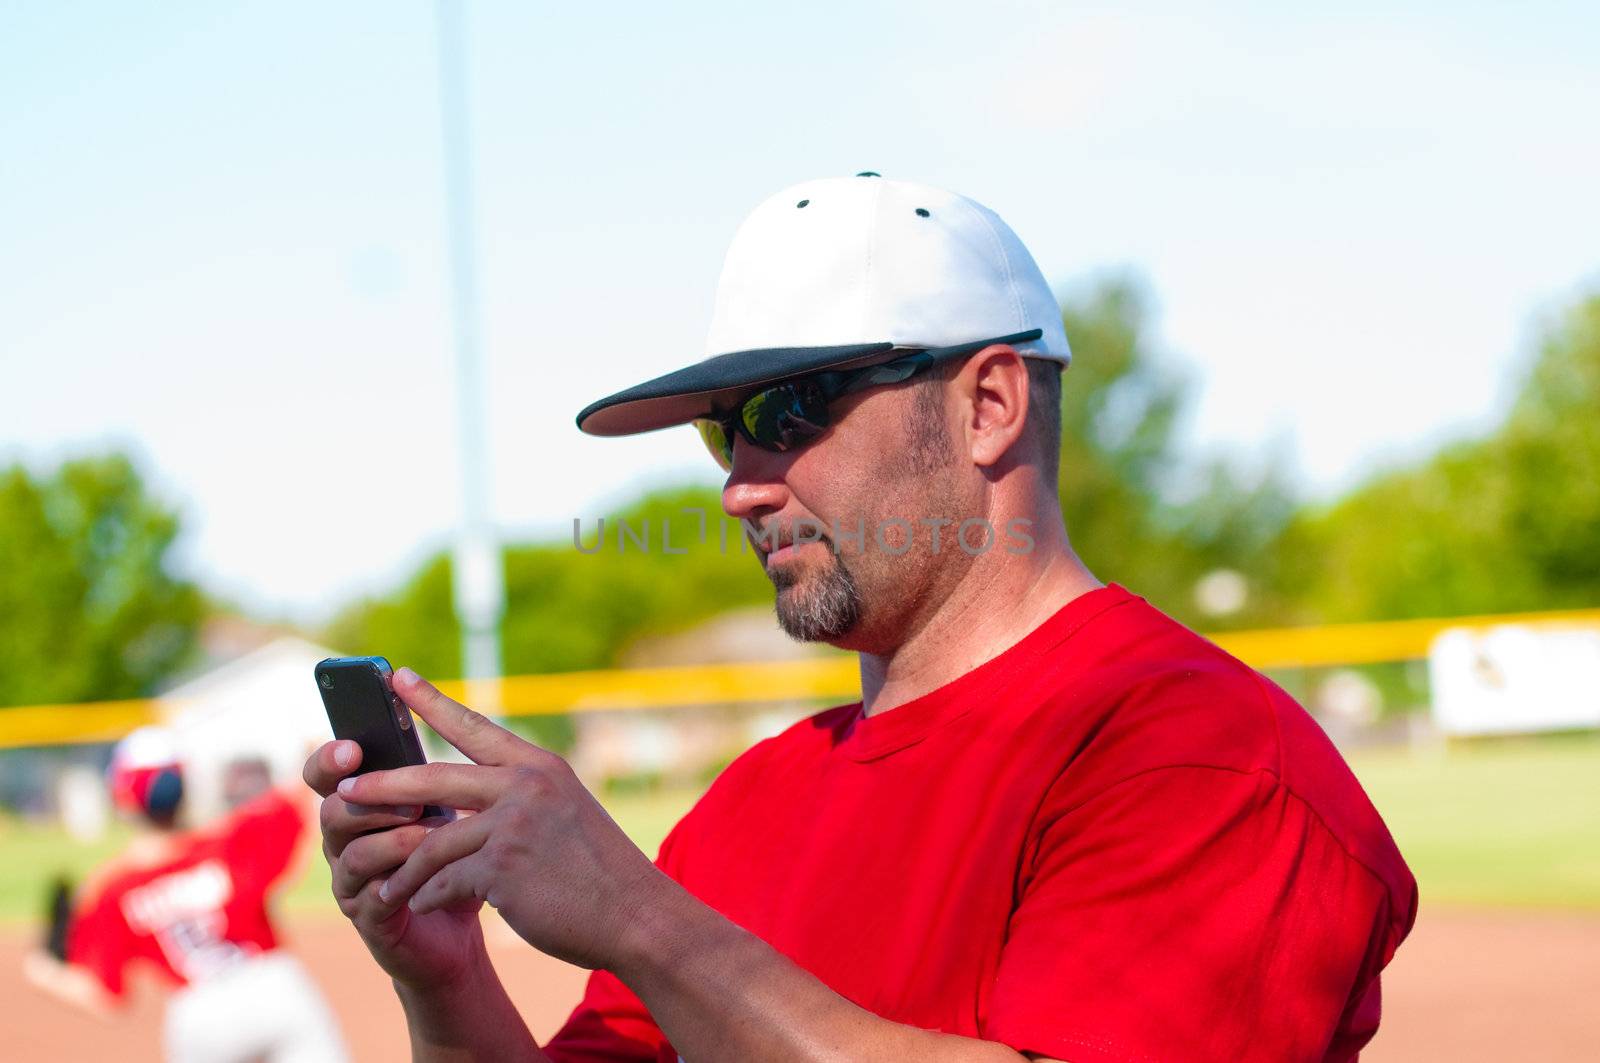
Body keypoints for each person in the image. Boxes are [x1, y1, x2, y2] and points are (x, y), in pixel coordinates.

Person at [303, 173, 1417, 1062]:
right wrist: (443, 980)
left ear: (988, 405)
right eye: (723, 431)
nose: (740, 482)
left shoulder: (1198, 756)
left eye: (790, 408)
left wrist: (642, 921)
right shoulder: (752, 803)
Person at [26, 726, 348, 1063]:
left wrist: (45, 972)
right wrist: (313, 750)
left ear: (122, 796)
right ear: (182, 788)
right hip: (276, 988)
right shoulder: (229, 841)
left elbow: (105, 996)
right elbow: (300, 802)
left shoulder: (112, 889)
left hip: (199, 1014)